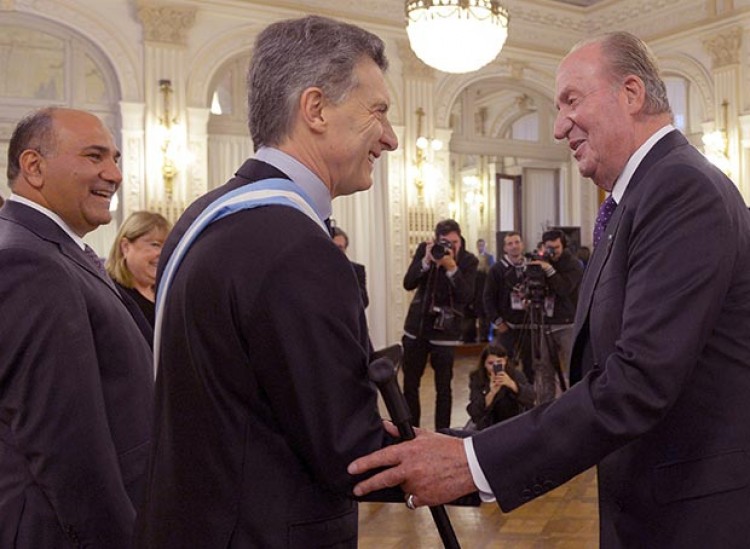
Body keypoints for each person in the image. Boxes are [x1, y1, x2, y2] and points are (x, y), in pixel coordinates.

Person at [348, 32, 750, 547]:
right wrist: (468, 445)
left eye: (571, 101)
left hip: (696, 517)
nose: (559, 126)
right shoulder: (637, 198)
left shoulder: (680, 189)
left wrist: (472, 462)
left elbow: (638, 381)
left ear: (631, 93)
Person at [135, 16, 398, 548]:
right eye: (378, 112)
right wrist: (468, 458)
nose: (390, 139)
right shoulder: (297, 247)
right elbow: (347, 451)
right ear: (315, 109)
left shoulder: (204, 214)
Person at [0, 107, 153, 548]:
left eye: (115, 159)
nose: (114, 174)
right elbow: (67, 443)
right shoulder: (28, 261)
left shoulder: (53, 250)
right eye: (94, 156)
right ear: (34, 167)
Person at [402, 219, 478, 430]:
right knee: (410, 384)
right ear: (436, 240)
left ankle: (442, 434)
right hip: (417, 329)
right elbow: (408, 283)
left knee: (443, 388)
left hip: (446, 333)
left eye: (454, 242)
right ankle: (411, 432)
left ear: (460, 240)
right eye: (445, 242)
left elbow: (466, 296)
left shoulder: (469, 261)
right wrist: (426, 262)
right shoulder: (426, 251)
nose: (449, 246)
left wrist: (452, 268)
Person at [526, 228, 583, 401]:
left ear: (563, 246)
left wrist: (549, 270)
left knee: (572, 367)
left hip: (567, 324)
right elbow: (532, 285)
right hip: (544, 322)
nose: (552, 252)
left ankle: (576, 403)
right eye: (549, 248)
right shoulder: (540, 262)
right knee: (544, 368)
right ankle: (545, 407)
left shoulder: (573, 264)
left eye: (556, 248)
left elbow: (564, 289)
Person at [106, 210, 171, 327]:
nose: (163, 254)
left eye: (167, 247)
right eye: (155, 245)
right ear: (125, 247)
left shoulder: (166, 293)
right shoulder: (111, 295)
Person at [484, 231, 532, 380]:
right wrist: (498, 321)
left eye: (517, 242)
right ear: (505, 248)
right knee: (503, 364)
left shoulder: (531, 266)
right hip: (507, 326)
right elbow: (488, 298)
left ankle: (527, 392)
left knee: (530, 366)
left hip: (529, 325)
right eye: (510, 244)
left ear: (522, 245)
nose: (514, 246)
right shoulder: (496, 269)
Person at [466, 344, 534, 431]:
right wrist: (491, 393)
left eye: (499, 362)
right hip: (489, 425)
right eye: (491, 363)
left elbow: (531, 398)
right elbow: (475, 412)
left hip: (514, 421)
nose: (495, 367)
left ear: (505, 361)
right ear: (484, 364)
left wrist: (512, 385)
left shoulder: (515, 375)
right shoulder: (477, 378)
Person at [332, 225, 369, 308]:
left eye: (340, 247)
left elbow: (364, 301)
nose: (336, 251)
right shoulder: (319, 268)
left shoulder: (357, 270)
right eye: (333, 246)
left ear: (345, 249)